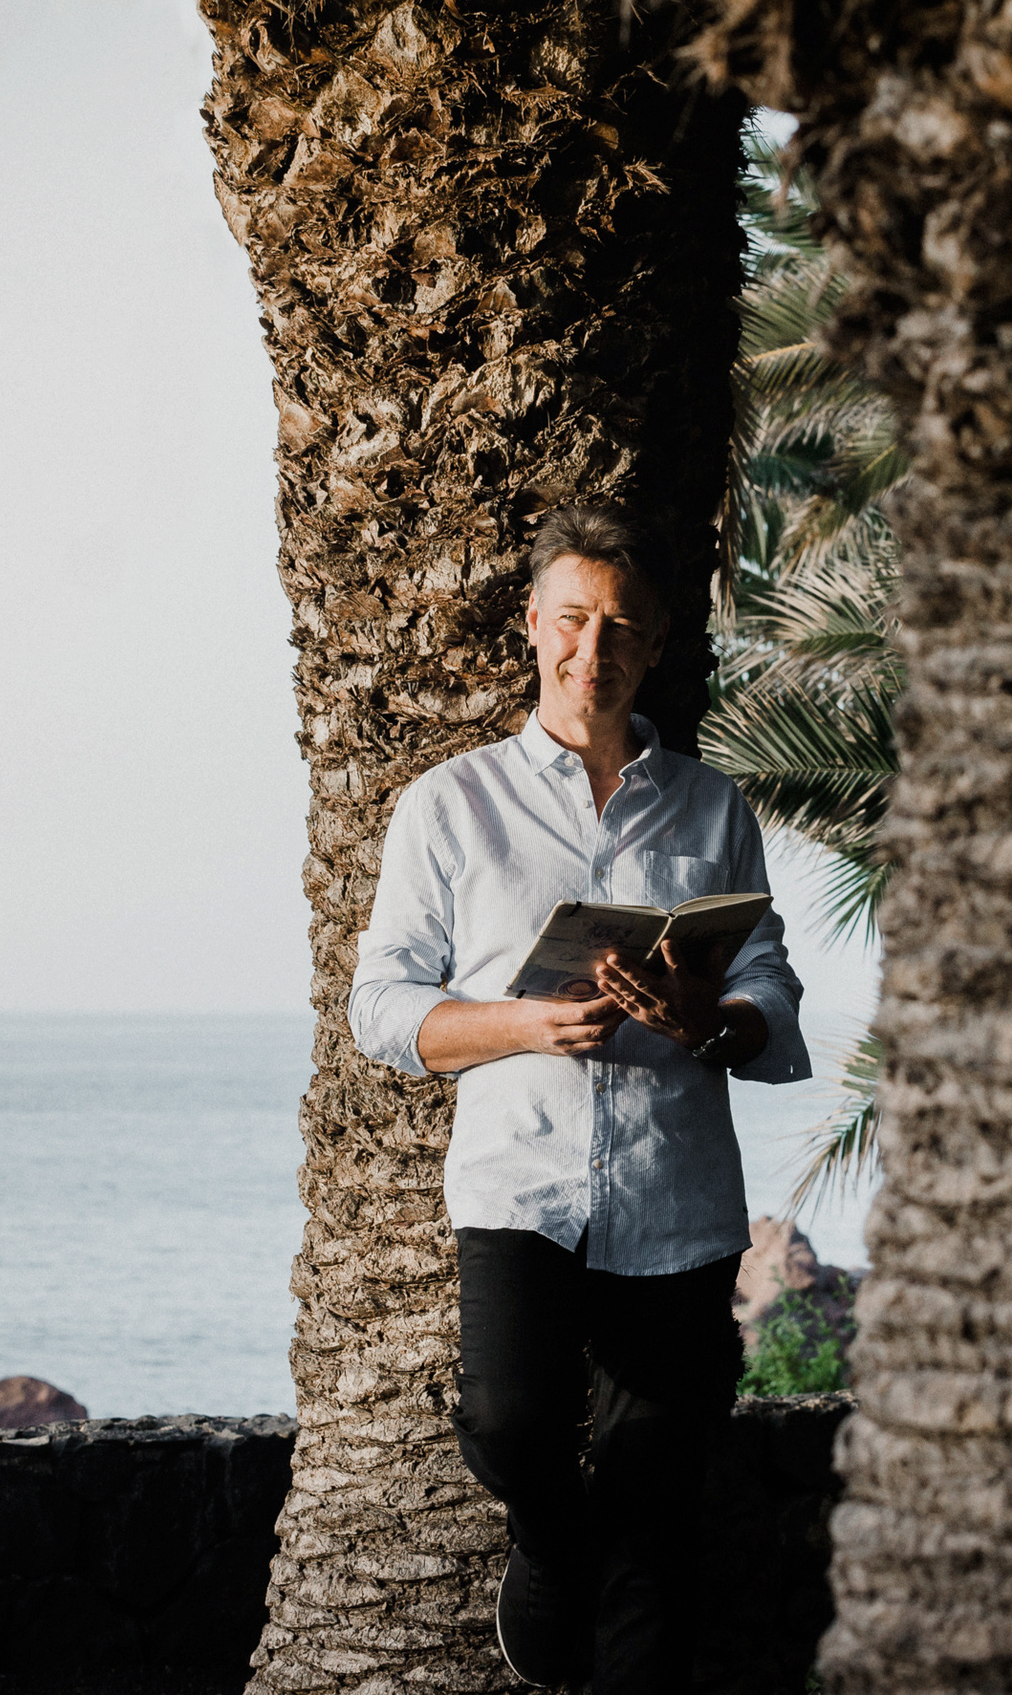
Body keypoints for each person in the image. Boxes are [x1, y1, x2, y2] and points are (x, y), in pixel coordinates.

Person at [347, 500, 810, 1692]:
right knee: (505, 1421)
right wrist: (526, 1021)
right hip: (523, 1190)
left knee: (659, 1505)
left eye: (621, 628)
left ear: (655, 646)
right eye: (571, 619)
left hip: (678, 1199)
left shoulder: (712, 809)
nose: (591, 650)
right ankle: (550, 1543)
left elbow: (768, 986)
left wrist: (711, 1018)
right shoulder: (450, 804)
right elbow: (381, 1006)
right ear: (532, 627)